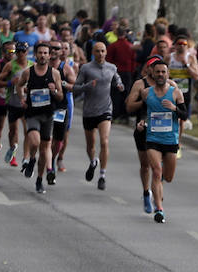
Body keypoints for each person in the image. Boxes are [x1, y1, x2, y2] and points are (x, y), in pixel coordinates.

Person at [137, 61, 186, 223]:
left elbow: (184, 115)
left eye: (163, 72)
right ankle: (159, 209)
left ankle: (158, 187)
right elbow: (144, 112)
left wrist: (174, 108)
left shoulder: (176, 93)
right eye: (157, 72)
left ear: (167, 74)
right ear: (153, 73)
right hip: (153, 138)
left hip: (170, 139)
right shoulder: (146, 93)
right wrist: (141, 122)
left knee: (168, 177)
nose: (160, 75)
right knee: (156, 171)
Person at [74, 41, 124, 190]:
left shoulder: (112, 67)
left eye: (102, 51)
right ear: (93, 53)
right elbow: (76, 88)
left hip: (105, 109)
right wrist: (87, 86)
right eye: (97, 51)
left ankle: (102, 175)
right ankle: (93, 162)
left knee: (104, 141)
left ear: (106, 52)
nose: (100, 53)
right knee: (90, 145)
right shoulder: (86, 68)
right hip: (89, 111)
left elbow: (117, 79)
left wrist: (120, 85)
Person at [17, 43, 63, 194]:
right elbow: (19, 85)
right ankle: (31, 158)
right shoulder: (28, 72)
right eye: (40, 53)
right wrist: (22, 98)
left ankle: (39, 179)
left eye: (45, 53)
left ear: (49, 56)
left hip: (47, 115)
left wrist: (54, 91)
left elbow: (60, 96)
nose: (42, 55)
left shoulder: (54, 73)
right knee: (35, 142)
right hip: (32, 113)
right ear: (35, 55)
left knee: (44, 150)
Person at [127, 55, 163, 213]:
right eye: (153, 67)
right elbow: (129, 106)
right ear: (148, 69)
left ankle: (158, 196)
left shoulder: (168, 84)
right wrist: (145, 100)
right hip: (143, 129)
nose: (158, 71)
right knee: (145, 165)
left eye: (160, 68)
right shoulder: (140, 84)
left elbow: (179, 107)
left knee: (158, 168)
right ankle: (146, 193)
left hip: (162, 129)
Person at [0, 41, 31, 167]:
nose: (21, 53)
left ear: (27, 52)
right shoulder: (10, 65)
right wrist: (10, 83)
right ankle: (13, 149)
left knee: (28, 131)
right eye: (18, 51)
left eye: (23, 51)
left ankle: (25, 158)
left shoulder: (32, 66)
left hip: (27, 103)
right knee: (13, 131)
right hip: (13, 102)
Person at [47, 41, 76, 185]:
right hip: (44, 107)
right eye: (51, 48)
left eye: (57, 48)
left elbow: (75, 86)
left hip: (60, 107)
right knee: (45, 138)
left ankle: (53, 158)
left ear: (61, 52)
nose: (54, 50)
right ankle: (45, 162)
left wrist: (62, 84)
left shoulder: (66, 68)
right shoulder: (41, 66)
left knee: (59, 138)